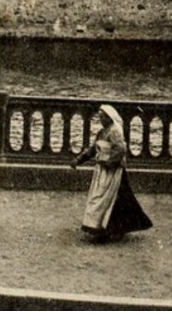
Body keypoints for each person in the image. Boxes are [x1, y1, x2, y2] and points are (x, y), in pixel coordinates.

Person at [69, 104, 153, 243]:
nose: (101, 120)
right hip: (103, 171)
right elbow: (93, 149)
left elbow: (121, 149)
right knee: (109, 199)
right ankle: (106, 227)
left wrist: (109, 162)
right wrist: (79, 160)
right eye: (100, 117)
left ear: (110, 118)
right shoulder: (102, 132)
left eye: (103, 117)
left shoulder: (114, 131)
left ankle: (112, 229)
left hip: (113, 171)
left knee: (113, 199)